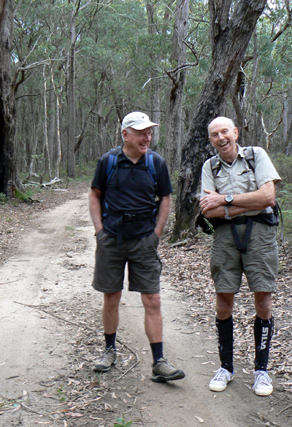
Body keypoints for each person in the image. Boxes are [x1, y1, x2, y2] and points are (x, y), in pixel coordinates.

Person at [89, 111, 185, 383]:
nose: (147, 137)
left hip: (144, 239)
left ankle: (159, 362)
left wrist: (156, 233)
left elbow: (165, 197)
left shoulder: (156, 163)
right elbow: (95, 194)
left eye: (149, 132)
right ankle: (109, 351)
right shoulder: (108, 162)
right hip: (112, 239)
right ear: (125, 135)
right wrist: (99, 231)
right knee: (111, 296)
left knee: (152, 299)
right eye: (141, 132)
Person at [199, 116, 281, 396]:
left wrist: (225, 199)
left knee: (263, 298)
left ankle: (261, 371)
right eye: (214, 134)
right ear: (210, 140)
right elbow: (207, 212)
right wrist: (249, 201)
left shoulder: (256, 155)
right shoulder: (209, 167)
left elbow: (268, 197)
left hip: (261, 235)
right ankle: (226, 367)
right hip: (224, 237)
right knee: (224, 299)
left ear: (235, 132)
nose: (221, 138)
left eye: (225, 131)